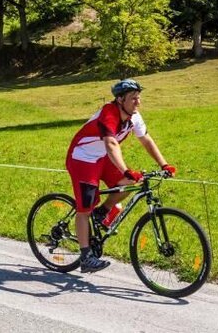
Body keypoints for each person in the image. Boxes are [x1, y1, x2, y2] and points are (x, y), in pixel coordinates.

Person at [65, 78, 175, 273]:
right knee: (84, 209)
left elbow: (146, 140)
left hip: (102, 158)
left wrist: (164, 164)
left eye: (139, 98)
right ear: (119, 99)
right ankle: (85, 257)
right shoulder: (108, 113)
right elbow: (111, 144)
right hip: (83, 158)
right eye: (133, 98)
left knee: (131, 182)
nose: (138, 102)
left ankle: (102, 212)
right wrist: (125, 169)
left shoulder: (134, 116)